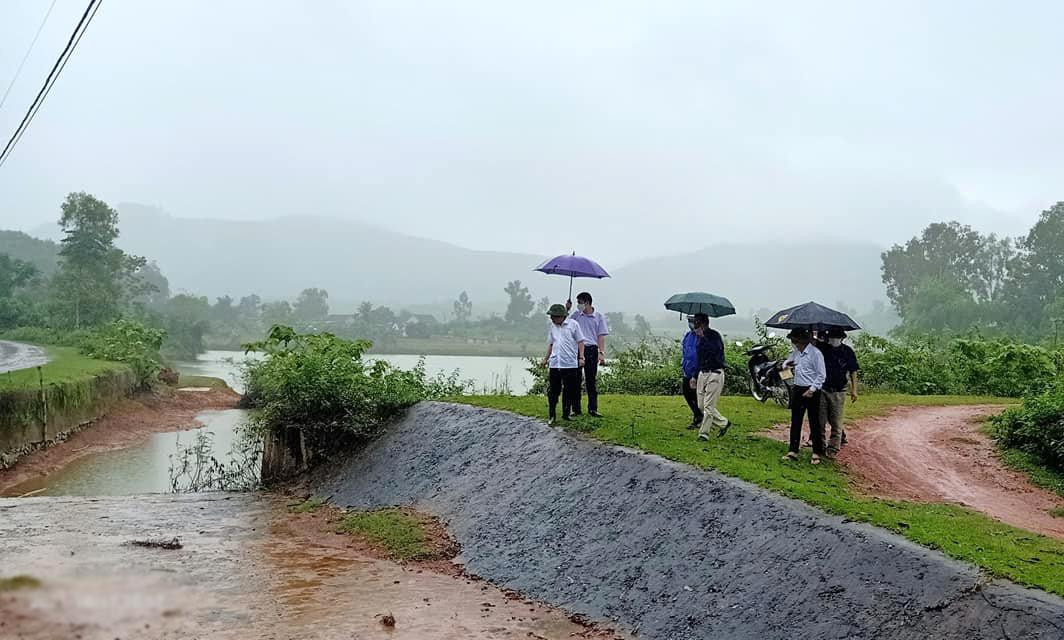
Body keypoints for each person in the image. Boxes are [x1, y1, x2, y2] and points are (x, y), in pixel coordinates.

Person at [781, 328, 827, 464]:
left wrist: (811, 390)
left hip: (812, 389)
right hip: (798, 388)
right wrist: (786, 365)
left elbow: (821, 375)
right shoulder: (796, 353)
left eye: (795, 341)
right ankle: (793, 450)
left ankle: (816, 452)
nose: (793, 343)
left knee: (814, 421)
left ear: (800, 341)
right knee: (796, 420)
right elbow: (787, 362)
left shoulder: (815, 354)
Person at [817, 328, 860, 457]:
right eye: (832, 337)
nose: (833, 340)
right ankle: (820, 446)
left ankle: (833, 448)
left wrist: (854, 390)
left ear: (842, 338)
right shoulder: (823, 349)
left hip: (839, 390)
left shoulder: (847, 352)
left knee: (836, 421)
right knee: (820, 420)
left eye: (836, 337)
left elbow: (853, 371)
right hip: (823, 388)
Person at [566, 292, 609, 417]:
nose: (578, 305)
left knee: (591, 380)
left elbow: (601, 336)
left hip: (591, 349)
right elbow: (564, 323)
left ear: (587, 302)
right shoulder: (576, 315)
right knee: (576, 380)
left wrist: (601, 353)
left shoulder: (598, 317)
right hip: (577, 349)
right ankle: (576, 409)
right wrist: (567, 309)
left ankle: (592, 408)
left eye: (580, 302)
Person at [542, 303, 586, 424]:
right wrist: (546, 359)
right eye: (551, 317)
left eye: (554, 316)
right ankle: (552, 415)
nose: (552, 319)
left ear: (561, 316)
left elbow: (581, 342)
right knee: (553, 391)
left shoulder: (573, 325)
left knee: (569, 390)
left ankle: (566, 414)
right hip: (555, 363)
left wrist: (581, 357)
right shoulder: (552, 327)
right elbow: (551, 344)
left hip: (569, 363)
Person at [690, 313, 730, 440]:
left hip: (715, 373)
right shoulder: (698, 339)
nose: (694, 326)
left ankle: (704, 433)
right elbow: (699, 359)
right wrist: (694, 376)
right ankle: (723, 423)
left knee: (708, 406)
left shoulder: (714, 336)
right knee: (701, 405)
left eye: (697, 323)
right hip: (703, 373)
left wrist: (704, 337)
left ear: (703, 324)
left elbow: (716, 351)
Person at [681, 315, 704, 429]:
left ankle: (700, 418)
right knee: (687, 393)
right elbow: (685, 352)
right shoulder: (688, 336)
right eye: (689, 321)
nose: (691, 324)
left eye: (693, 321)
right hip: (687, 370)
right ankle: (698, 415)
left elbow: (700, 356)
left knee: (697, 396)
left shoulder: (702, 337)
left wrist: (695, 375)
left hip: (698, 372)